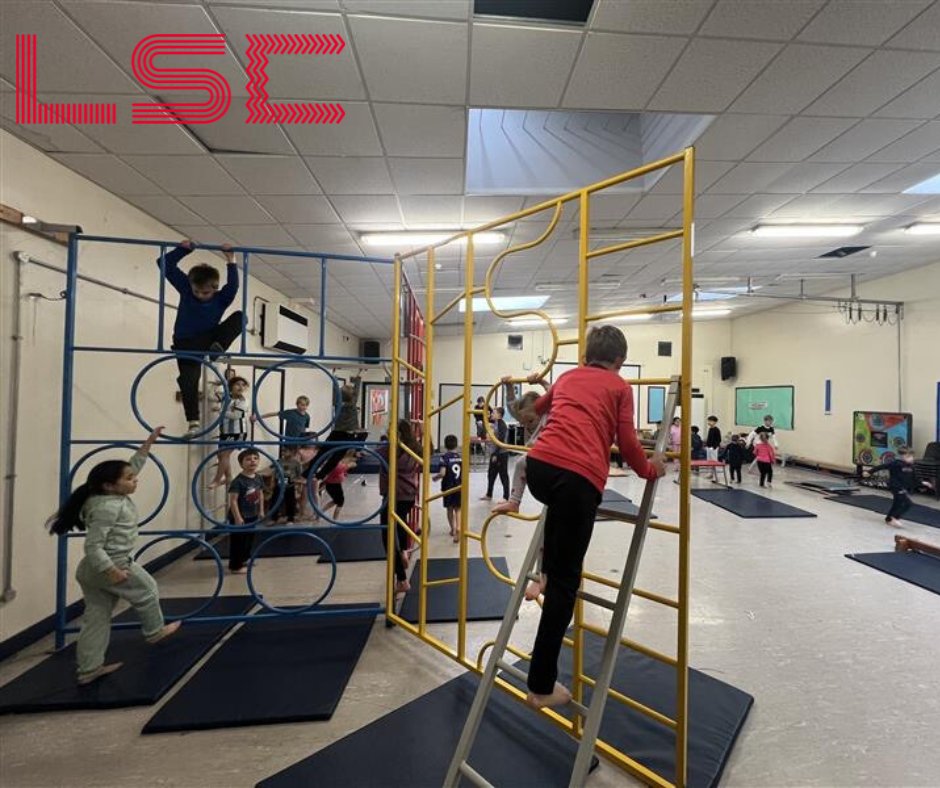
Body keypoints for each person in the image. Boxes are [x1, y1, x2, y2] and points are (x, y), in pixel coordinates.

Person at [523, 325, 666, 709]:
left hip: (538, 469)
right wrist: (650, 470)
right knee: (568, 584)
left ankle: (543, 575)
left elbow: (535, 410)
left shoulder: (568, 376)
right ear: (619, 361)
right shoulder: (620, 387)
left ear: (587, 353)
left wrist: (532, 383)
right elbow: (628, 441)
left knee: (558, 523)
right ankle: (540, 684)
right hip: (576, 477)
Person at [47, 427, 180, 685]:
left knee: (96, 618)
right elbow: (93, 546)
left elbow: (134, 466)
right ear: (110, 485)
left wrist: (148, 443)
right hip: (112, 565)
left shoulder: (104, 494)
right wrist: (111, 570)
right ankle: (154, 632)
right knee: (148, 589)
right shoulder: (107, 507)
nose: (135, 480)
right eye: (129, 479)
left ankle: (89, 669)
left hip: (90, 571)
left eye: (133, 477)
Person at [158, 240, 243, 439]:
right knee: (187, 380)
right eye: (196, 291)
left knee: (240, 317)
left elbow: (233, 285)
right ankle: (193, 423)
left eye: (205, 292)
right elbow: (164, 264)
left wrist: (231, 259)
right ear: (191, 286)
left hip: (209, 339)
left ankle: (217, 349)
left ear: (214, 288)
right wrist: (182, 250)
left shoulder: (222, 298)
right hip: (185, 343)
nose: (200, 296)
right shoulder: (187, 291)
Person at [492, 373, 549, 515]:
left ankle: (514, 501)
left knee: (520, 462)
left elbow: (555, 394)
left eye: (529, 421)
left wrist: (542, 381)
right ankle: (514, 502)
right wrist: (509, 386)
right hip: (535, 455)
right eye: (522, 422)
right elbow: (511, 405)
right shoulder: (525, 414)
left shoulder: (547, 414)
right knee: (521, 463)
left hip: (548, 452)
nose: (526, 425)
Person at [378, 421, 422, 593]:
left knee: (387, 538)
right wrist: (424, 432)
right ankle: (403, 550)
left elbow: (371, 454)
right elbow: (430, 451)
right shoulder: (414, 448)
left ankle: (402, 579)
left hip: (392, 497)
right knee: (401, 523)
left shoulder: (389, 450)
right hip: (409, 495)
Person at [314, 373, 363, 491]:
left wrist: (334, 379)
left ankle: (316, 473)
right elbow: (356, 392)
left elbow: (336, 392)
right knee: (336, 456)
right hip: (348, 433)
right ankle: (321, 475)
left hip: (337, 431)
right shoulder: (352, 404)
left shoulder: (338, 404)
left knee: (325, 452)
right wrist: (358, 377)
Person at [863, 447, 925, 527]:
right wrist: (869, 472)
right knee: (908, 504)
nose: (912, 458)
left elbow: (915, 477)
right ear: (903, 457)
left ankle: (889, 519)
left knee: (897, 503)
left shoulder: (911, 466)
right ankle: (895, 518)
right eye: (909, 457)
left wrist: (923, 483)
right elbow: (882, 466)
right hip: (895, 486)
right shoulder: (896, 464)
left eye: (912, 456)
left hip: (903, 487)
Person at [227, 448, 264, 574]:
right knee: (238, 541)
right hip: (240, 515)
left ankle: (245, 559)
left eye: (255, 458)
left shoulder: (258, 477)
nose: (252, 461)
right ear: (241, 463)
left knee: (249, 539)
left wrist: (261, 510)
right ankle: (235, 566)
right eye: (248, 459)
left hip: (252, 514)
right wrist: (237, 517)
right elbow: (233, 501)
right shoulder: (238, 481)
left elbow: (260, 494)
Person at [209, 375, 250, 490]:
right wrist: (215, 385)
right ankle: (228, 477)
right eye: (237, 384)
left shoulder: (243, 401)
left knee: (224, 454)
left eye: (243, 385)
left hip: (237, 432)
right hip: (225, 431)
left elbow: (236, 416)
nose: (240, 387)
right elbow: (210, 396)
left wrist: (220, 411)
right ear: (231, 386)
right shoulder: (226, 397)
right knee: (220, 454)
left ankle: (217, 480)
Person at [433, 434, 462, 543]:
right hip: (459, 486)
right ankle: (459, 526)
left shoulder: (444, 457)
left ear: (445, 445)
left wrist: (435, 478)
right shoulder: (460, 457)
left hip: (448, 487)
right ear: (456, 445)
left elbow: (442, 473)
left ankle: (453, 529)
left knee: (449, 508)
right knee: (458, 508)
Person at [481, 406, 510, 501]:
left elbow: (501, 440)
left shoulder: (502, 425)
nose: (492, 414)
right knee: (491, 474)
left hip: (501, 454)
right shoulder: (496, 423)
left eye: (494, 413)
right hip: (495, 453)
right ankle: (489, 494)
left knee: (503, 475)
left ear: (499, 415)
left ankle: (506, 497)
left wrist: (495, 454)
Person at [321, 449, 358, 521]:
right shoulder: (337, 462)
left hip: (333, 484)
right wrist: (348, 466)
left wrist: (345, 472)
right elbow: (337, 470)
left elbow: (339, 471)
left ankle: (320, 513)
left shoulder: (339, 461)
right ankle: (335, 519)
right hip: (333, 485)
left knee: (335, 501)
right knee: (340, 501)